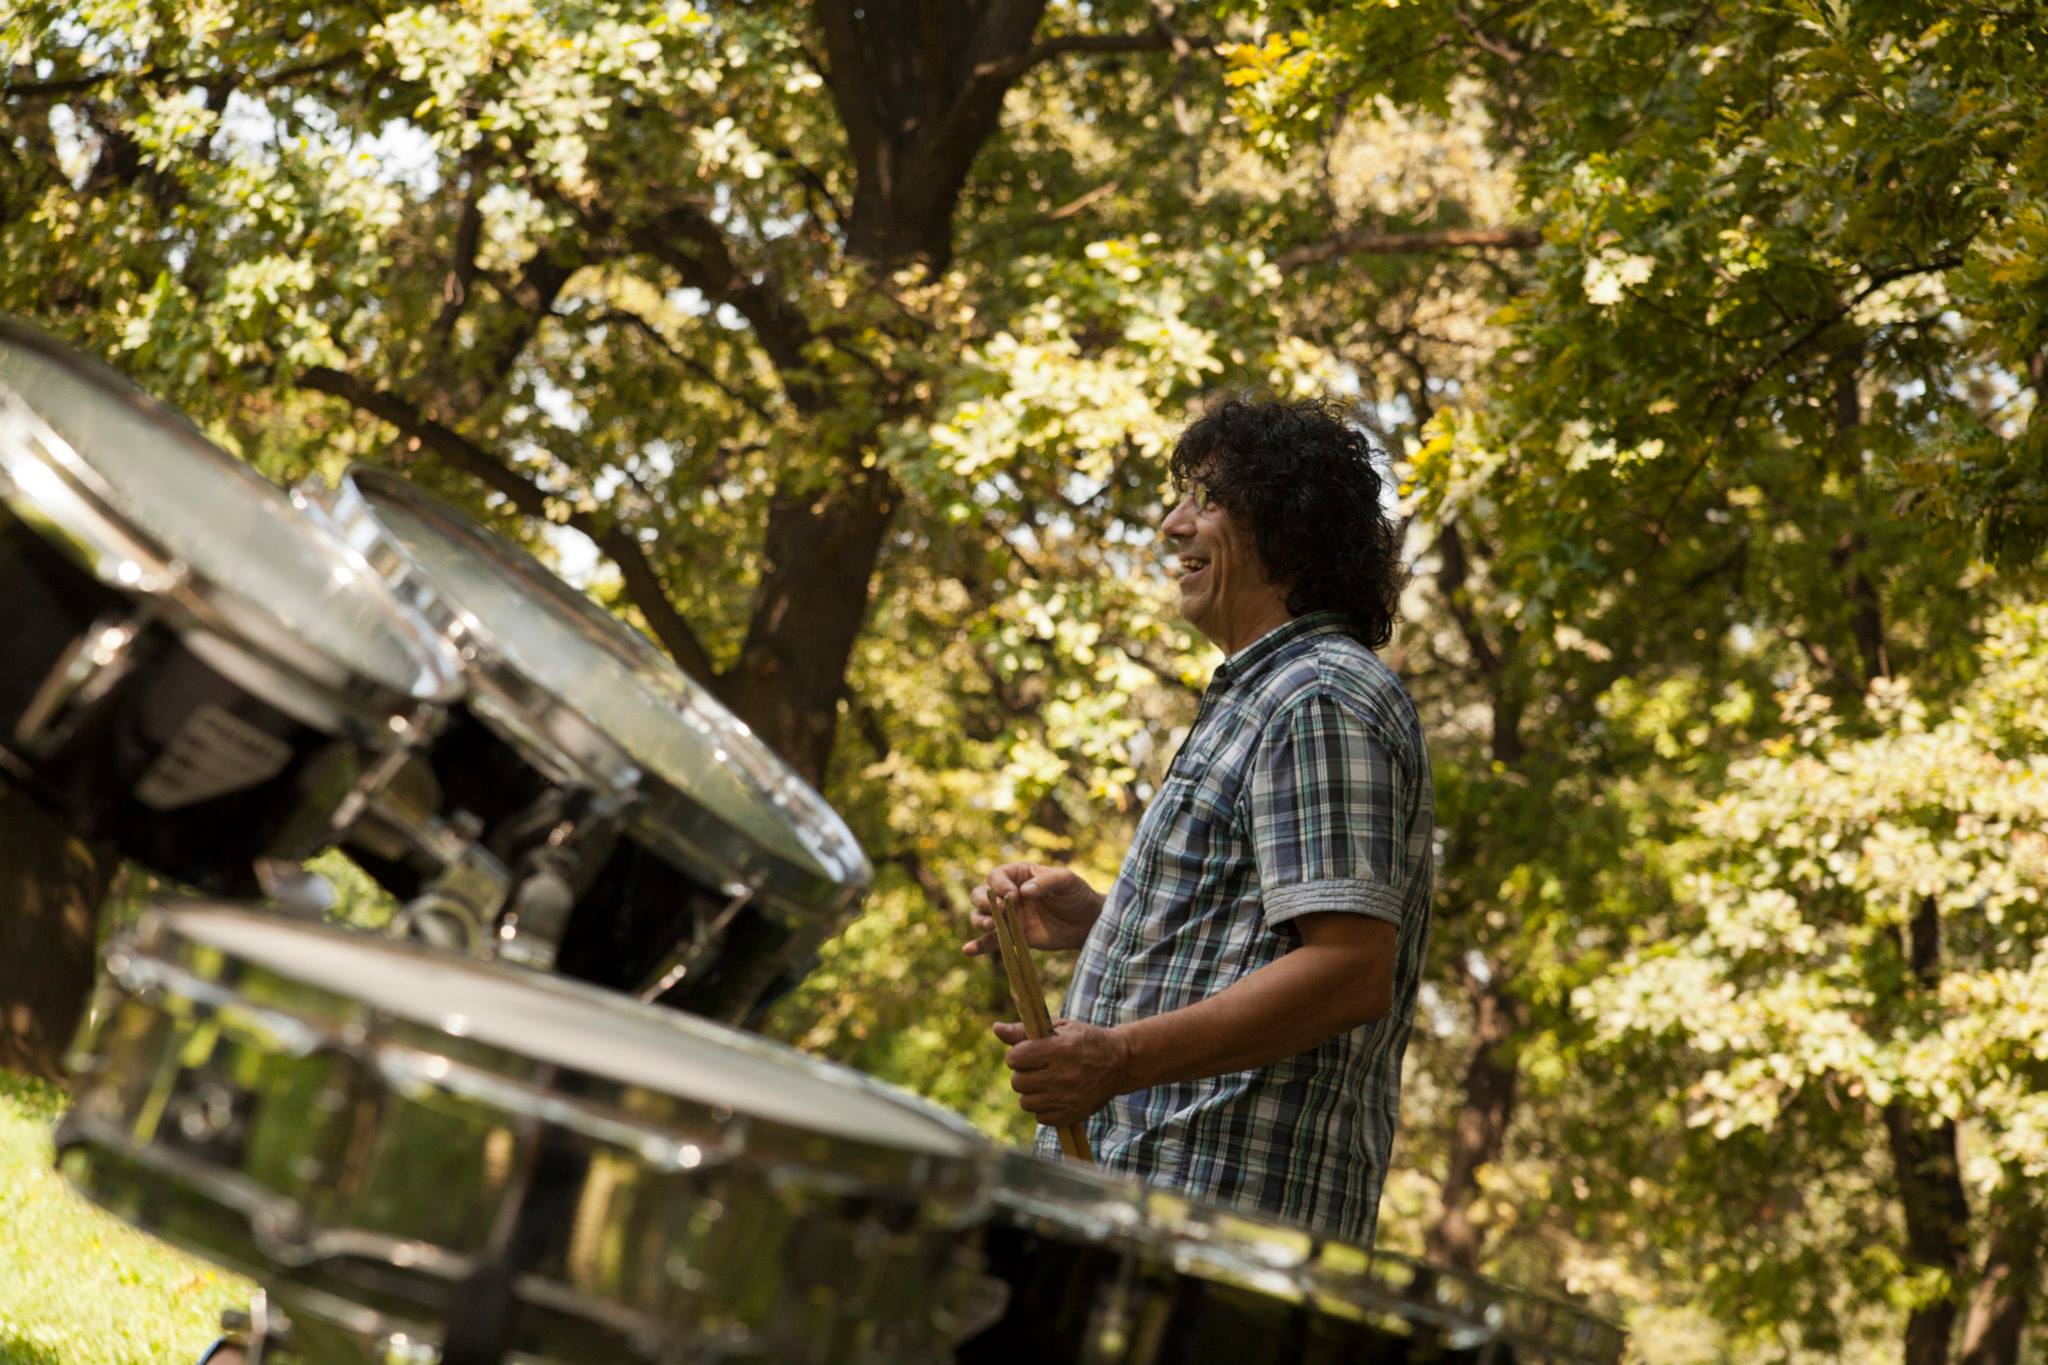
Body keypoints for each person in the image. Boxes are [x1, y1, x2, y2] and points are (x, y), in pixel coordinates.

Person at [964, 395, 1433, 1244]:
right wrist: (1105, 922)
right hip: (1152, 1213)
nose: (1173, 525)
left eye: (1207, 500)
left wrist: (1117, 1059)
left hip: (1211, 1232)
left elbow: (1349, 968)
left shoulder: (1317, 695)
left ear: (1285, 528)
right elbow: (1267, 944)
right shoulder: (1270, 695)